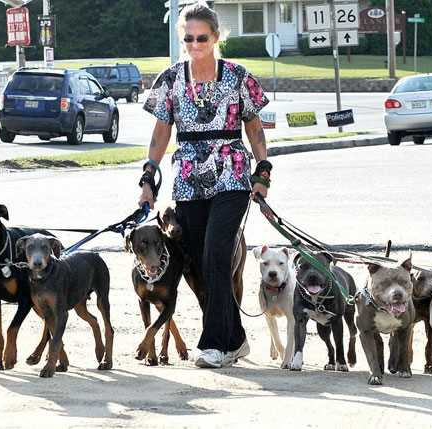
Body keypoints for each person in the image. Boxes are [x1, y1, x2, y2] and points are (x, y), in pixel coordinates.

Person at [139, 2, 272, 369]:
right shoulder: (170, 79)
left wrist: (262, 171)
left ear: (215, 37)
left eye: (202, 37)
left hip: (231, 173)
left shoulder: (238, 76)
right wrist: (149, 177)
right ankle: (236, 340)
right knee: (199, 263)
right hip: (187, 179)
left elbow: (255, 128)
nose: (194, 44)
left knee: (217, 255)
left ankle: (213, 343)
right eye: (188, 38)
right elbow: (160, 134)